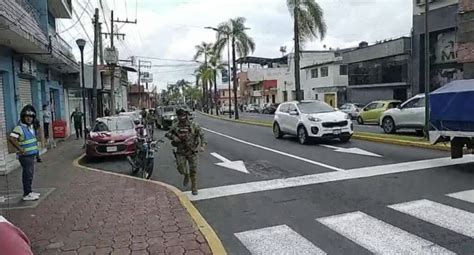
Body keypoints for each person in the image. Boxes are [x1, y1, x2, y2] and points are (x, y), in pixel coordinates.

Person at [165, 108, 206, 195]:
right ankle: (185, 175)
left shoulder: (194, 125)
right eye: (180, 115)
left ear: (187, 115)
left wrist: (202, 146)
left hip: (192, 151)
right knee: (181, 169)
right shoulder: (175, 126)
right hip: (181, 152)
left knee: (193, 170)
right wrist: (174, 137)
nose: (182, 117)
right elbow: (168, 133)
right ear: (178, 116)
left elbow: (202, 135)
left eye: (184, 115)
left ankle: (194, 187)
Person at [8, 106, 41, 201]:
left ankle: (29, 191)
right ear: (23, 117)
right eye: (27, 116)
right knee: (27, 174)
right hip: (25, 156)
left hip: (31, 155)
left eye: (31, 116)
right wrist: (20, 148)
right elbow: (12, 138)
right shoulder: (19, 128)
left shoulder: (29, 127)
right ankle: (27, 193)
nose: (29, 118)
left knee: (29, 174)